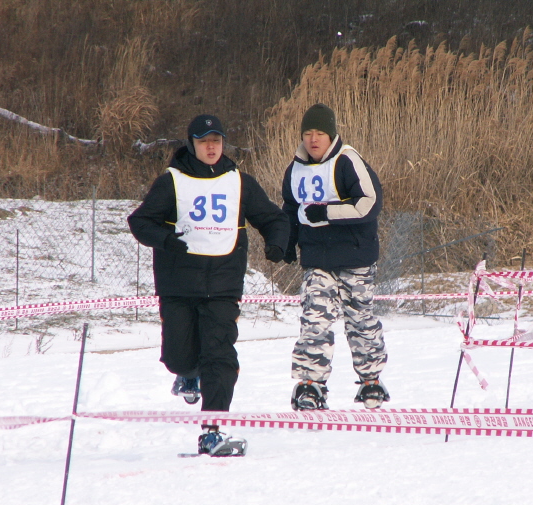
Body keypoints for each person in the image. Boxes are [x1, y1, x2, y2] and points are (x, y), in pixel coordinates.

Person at [128, 114, 289, 455]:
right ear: (192, 144)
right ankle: (187, 373)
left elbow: (272, 217)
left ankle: (211, 432)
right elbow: (140, 221)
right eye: (204, 141)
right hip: (178, 285)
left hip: (223, 286)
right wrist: (166, 240)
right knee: (178, 356)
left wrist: (277, 243)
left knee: (220, 359)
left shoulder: (240, 182)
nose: (211, 146)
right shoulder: (171, 182)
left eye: (216, 140)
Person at [281, 103, 389, 410]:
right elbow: (291, 209)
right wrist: (287, 242)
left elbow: (369, 202)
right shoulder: (294, 169)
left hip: (355, 256)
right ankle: (310, 385)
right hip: (317, 258)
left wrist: (327, 212)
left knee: (360, 320)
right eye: (307, 133)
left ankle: (371, 381)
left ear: (331, 135)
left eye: (319, 133)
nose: (313, 139)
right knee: (314, 319)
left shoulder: (347, 161)